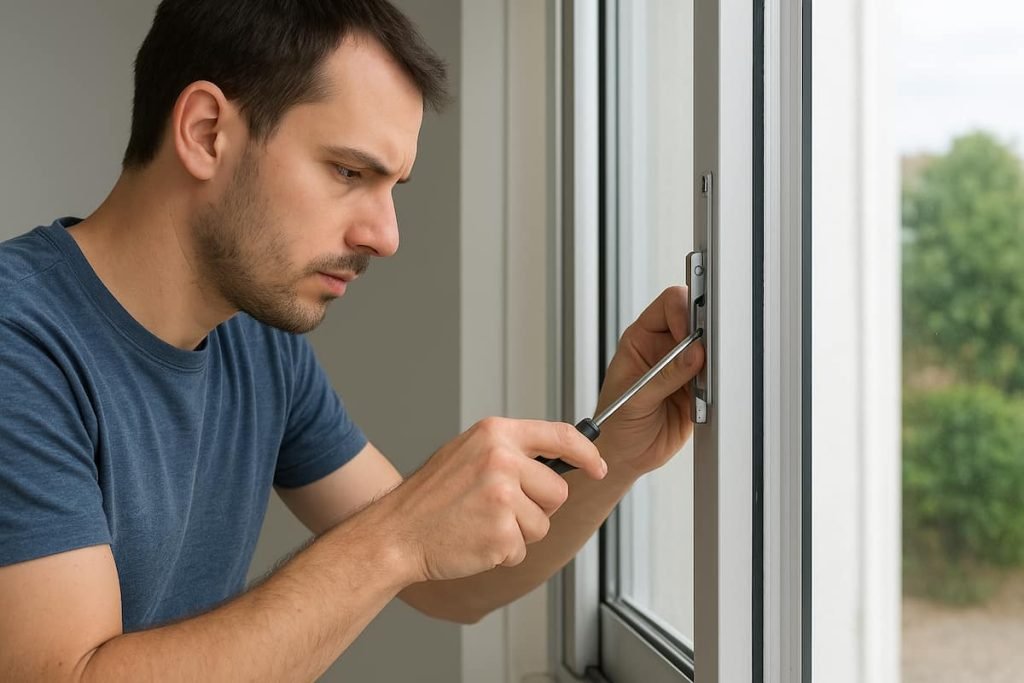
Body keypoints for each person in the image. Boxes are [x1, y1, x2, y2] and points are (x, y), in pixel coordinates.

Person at [0, 1, 705, 679]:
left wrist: (615, 450)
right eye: (349, 172)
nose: (388, 236)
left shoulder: (254, 344)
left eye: (393, 185)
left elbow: (448, 584)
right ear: (207, 131)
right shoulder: (18, 341)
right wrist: (397, 533)